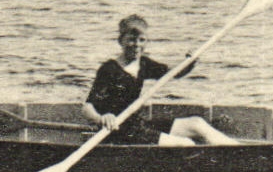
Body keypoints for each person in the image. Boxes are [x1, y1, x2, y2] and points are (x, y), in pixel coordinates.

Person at [82, 15, 238, 146]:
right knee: (186, 144)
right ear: (120, 41)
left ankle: (241, 151)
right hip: (118, 132)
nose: (136, 45)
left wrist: (191, 62)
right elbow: (87, 107)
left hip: (138, 125)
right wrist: (102, 118)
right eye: (131, 40)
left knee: (196, 123)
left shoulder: (143, 64)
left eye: (142, 40)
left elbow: (173, 73)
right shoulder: (109, 70)